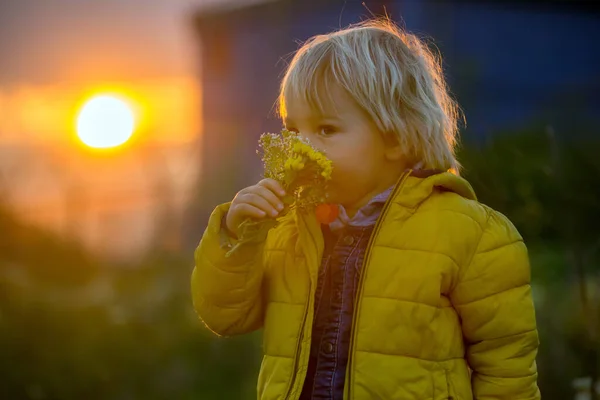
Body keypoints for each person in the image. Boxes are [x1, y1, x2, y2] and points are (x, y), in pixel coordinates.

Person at [191, 18, 540, 400]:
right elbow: (224, 316)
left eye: (326, 130)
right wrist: (239, 235)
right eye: (293, 131)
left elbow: (507, 369)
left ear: (395, 138)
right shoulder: (284, 228)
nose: (301, 147)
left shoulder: (473, 235)